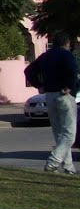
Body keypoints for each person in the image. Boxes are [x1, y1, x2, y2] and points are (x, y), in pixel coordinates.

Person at [27, 32, 78, 174]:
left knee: (59, 133)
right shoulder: (66, 55)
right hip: (64, 95)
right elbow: (72, 70)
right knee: (69, 134)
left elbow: (29, 70)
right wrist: (69, 86)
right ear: (67, 44)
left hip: (49, 95)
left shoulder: (46, 56)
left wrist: (39, 85)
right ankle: (53, 161)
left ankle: (68, 167)